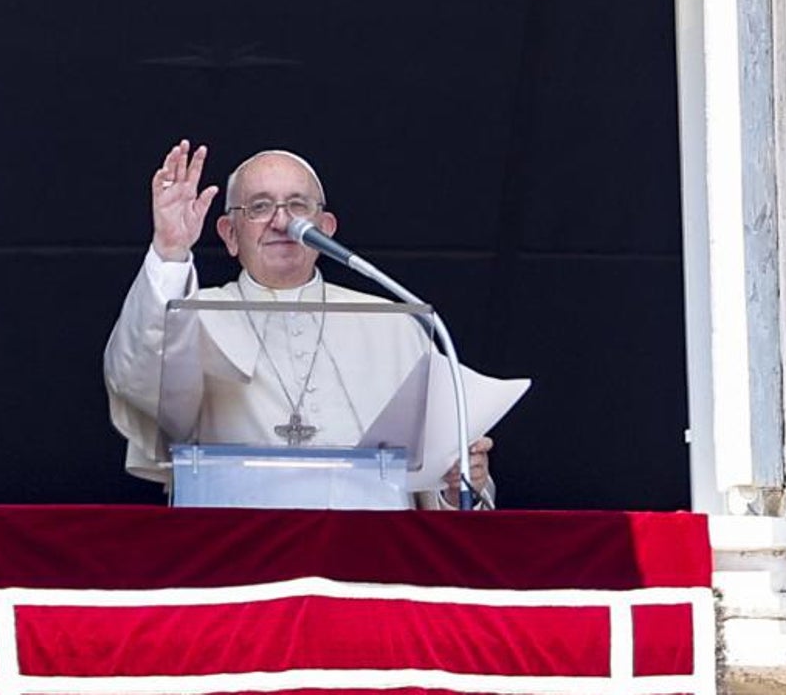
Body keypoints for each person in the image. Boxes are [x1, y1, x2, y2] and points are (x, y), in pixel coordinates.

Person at [103, 140, 493, 508]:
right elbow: (137, 378)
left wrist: (460, 481)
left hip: (370, 561)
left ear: (326, 227)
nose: (281, 221)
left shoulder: (395, 323)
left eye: (297, 205)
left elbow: (443, 483)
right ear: (229, 235)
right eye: (259, 207)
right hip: (239, 558)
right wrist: (170, 251)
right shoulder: (189, 315)